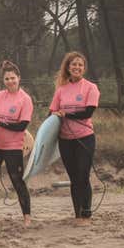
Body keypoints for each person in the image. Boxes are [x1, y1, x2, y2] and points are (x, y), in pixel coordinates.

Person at [50, 51, 100, 225]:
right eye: (73, 64)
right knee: (73, 178)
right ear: (68, 67)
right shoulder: (61, 89)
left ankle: (86, 214)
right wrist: (56, 115)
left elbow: (88, 112)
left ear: (84, 68)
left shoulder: (91, 87)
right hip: (65, 140)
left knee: (83, 176)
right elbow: (52, 113)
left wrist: (66, 113)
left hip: (84, 138)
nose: (77, 67)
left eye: (80, 64)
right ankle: (77, 214)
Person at [0, 61, 33, 226]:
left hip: (13, 147)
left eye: (13, 78)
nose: (10, 81)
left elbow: (22, 126)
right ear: (3, 80)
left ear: (19, 78)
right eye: (7, 78)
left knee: (17, 180)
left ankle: (27, 217)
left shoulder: (25, 99)